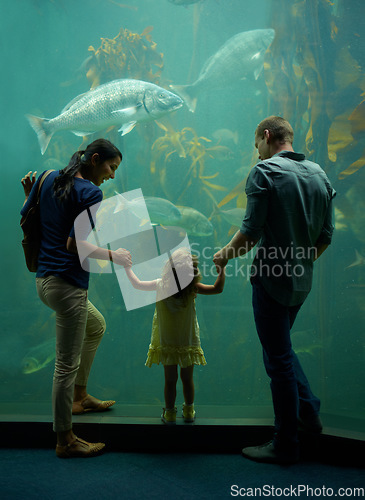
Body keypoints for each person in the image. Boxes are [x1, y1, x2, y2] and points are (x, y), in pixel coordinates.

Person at [213, 116, 336, 464]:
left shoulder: (264, 172)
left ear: (266, 137)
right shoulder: (320, 175)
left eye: (257, 145)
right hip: (301, 282)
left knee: (278, 360)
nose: (258, 152)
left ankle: (285, 443)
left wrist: (221, 257)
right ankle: (309, 412)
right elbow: (325, 236)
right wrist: (300, 261)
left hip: (270, 281)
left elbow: (250, 234)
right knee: (281, 350)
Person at [20, 139, 132, 458]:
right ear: (95, 160)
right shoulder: (91, 193)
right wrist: (115, 256)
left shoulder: (47, 177)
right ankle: (65, 439)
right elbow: (75, 245)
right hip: (68, 285)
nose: (111, 175)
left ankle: (80, 397)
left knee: (95, 327)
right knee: (65, 365)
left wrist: (31, 193)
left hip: (44, 281)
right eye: (111, 167)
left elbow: (28, 214)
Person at [125, 248, 225, 424]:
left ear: (168, 268)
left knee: (170, 380)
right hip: (187, 341)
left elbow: (137, 284)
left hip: (167, 342)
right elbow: (217, 289)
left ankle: (170, 413)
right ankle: (189, 410)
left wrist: (127, 268)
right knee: (187, 379)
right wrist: (221, 269)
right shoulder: (192, 288)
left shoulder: (160, 285)